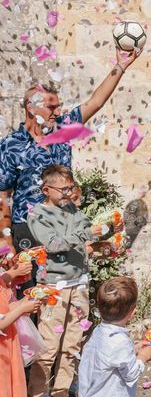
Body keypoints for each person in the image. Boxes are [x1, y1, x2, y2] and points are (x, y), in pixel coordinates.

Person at [0, 47, 140, 257]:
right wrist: (6, 241)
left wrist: (120, 65)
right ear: (31, 108)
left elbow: (96, 102)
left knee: (67, 285)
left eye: (59, 107)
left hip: (65, 226)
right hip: (27, 230)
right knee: (34, 290)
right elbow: (3, 195)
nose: (58, 112)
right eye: (51, 107)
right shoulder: (11, 145)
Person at [27, 165, 117, 397]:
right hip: (53, 288)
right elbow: (54, 245)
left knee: (71, 347)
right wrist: (89, 234)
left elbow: (84, 236)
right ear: (46, 189)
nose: (69, 194)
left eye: (71, 188)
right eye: (64, 190)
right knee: (48, 348)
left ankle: (61, 392)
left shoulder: (71, 209)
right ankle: (38, 393)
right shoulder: (38, 214)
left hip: (79, 285)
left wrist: (103, 242)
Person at [78, 276, 151, 396]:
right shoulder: (120, 342)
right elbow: (131, 375)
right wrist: (143, 357)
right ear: (133, 312)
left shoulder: (98, 331)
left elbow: (108, 358)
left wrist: (133, 350)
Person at [0, 250, 40, 397]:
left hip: (8, 344)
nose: (5, 261)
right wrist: (22, 308)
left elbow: (4, 307)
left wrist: (26, 301)